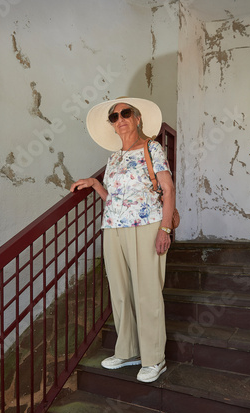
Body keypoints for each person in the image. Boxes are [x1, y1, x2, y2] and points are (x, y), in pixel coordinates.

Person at [70, 97, 175, 383]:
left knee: (147, 291)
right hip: (113, 226)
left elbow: (167, 188)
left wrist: (164, 229)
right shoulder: (114, 158)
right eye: (114, 117)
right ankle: (128, 350)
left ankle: (155, 359)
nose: (120, 119)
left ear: (138, 118)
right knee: (119, 290)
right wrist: (95, 185)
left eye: (125, 113)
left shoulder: (152, 148)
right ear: (113, 126)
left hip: (146, 224)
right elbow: (113, 199)